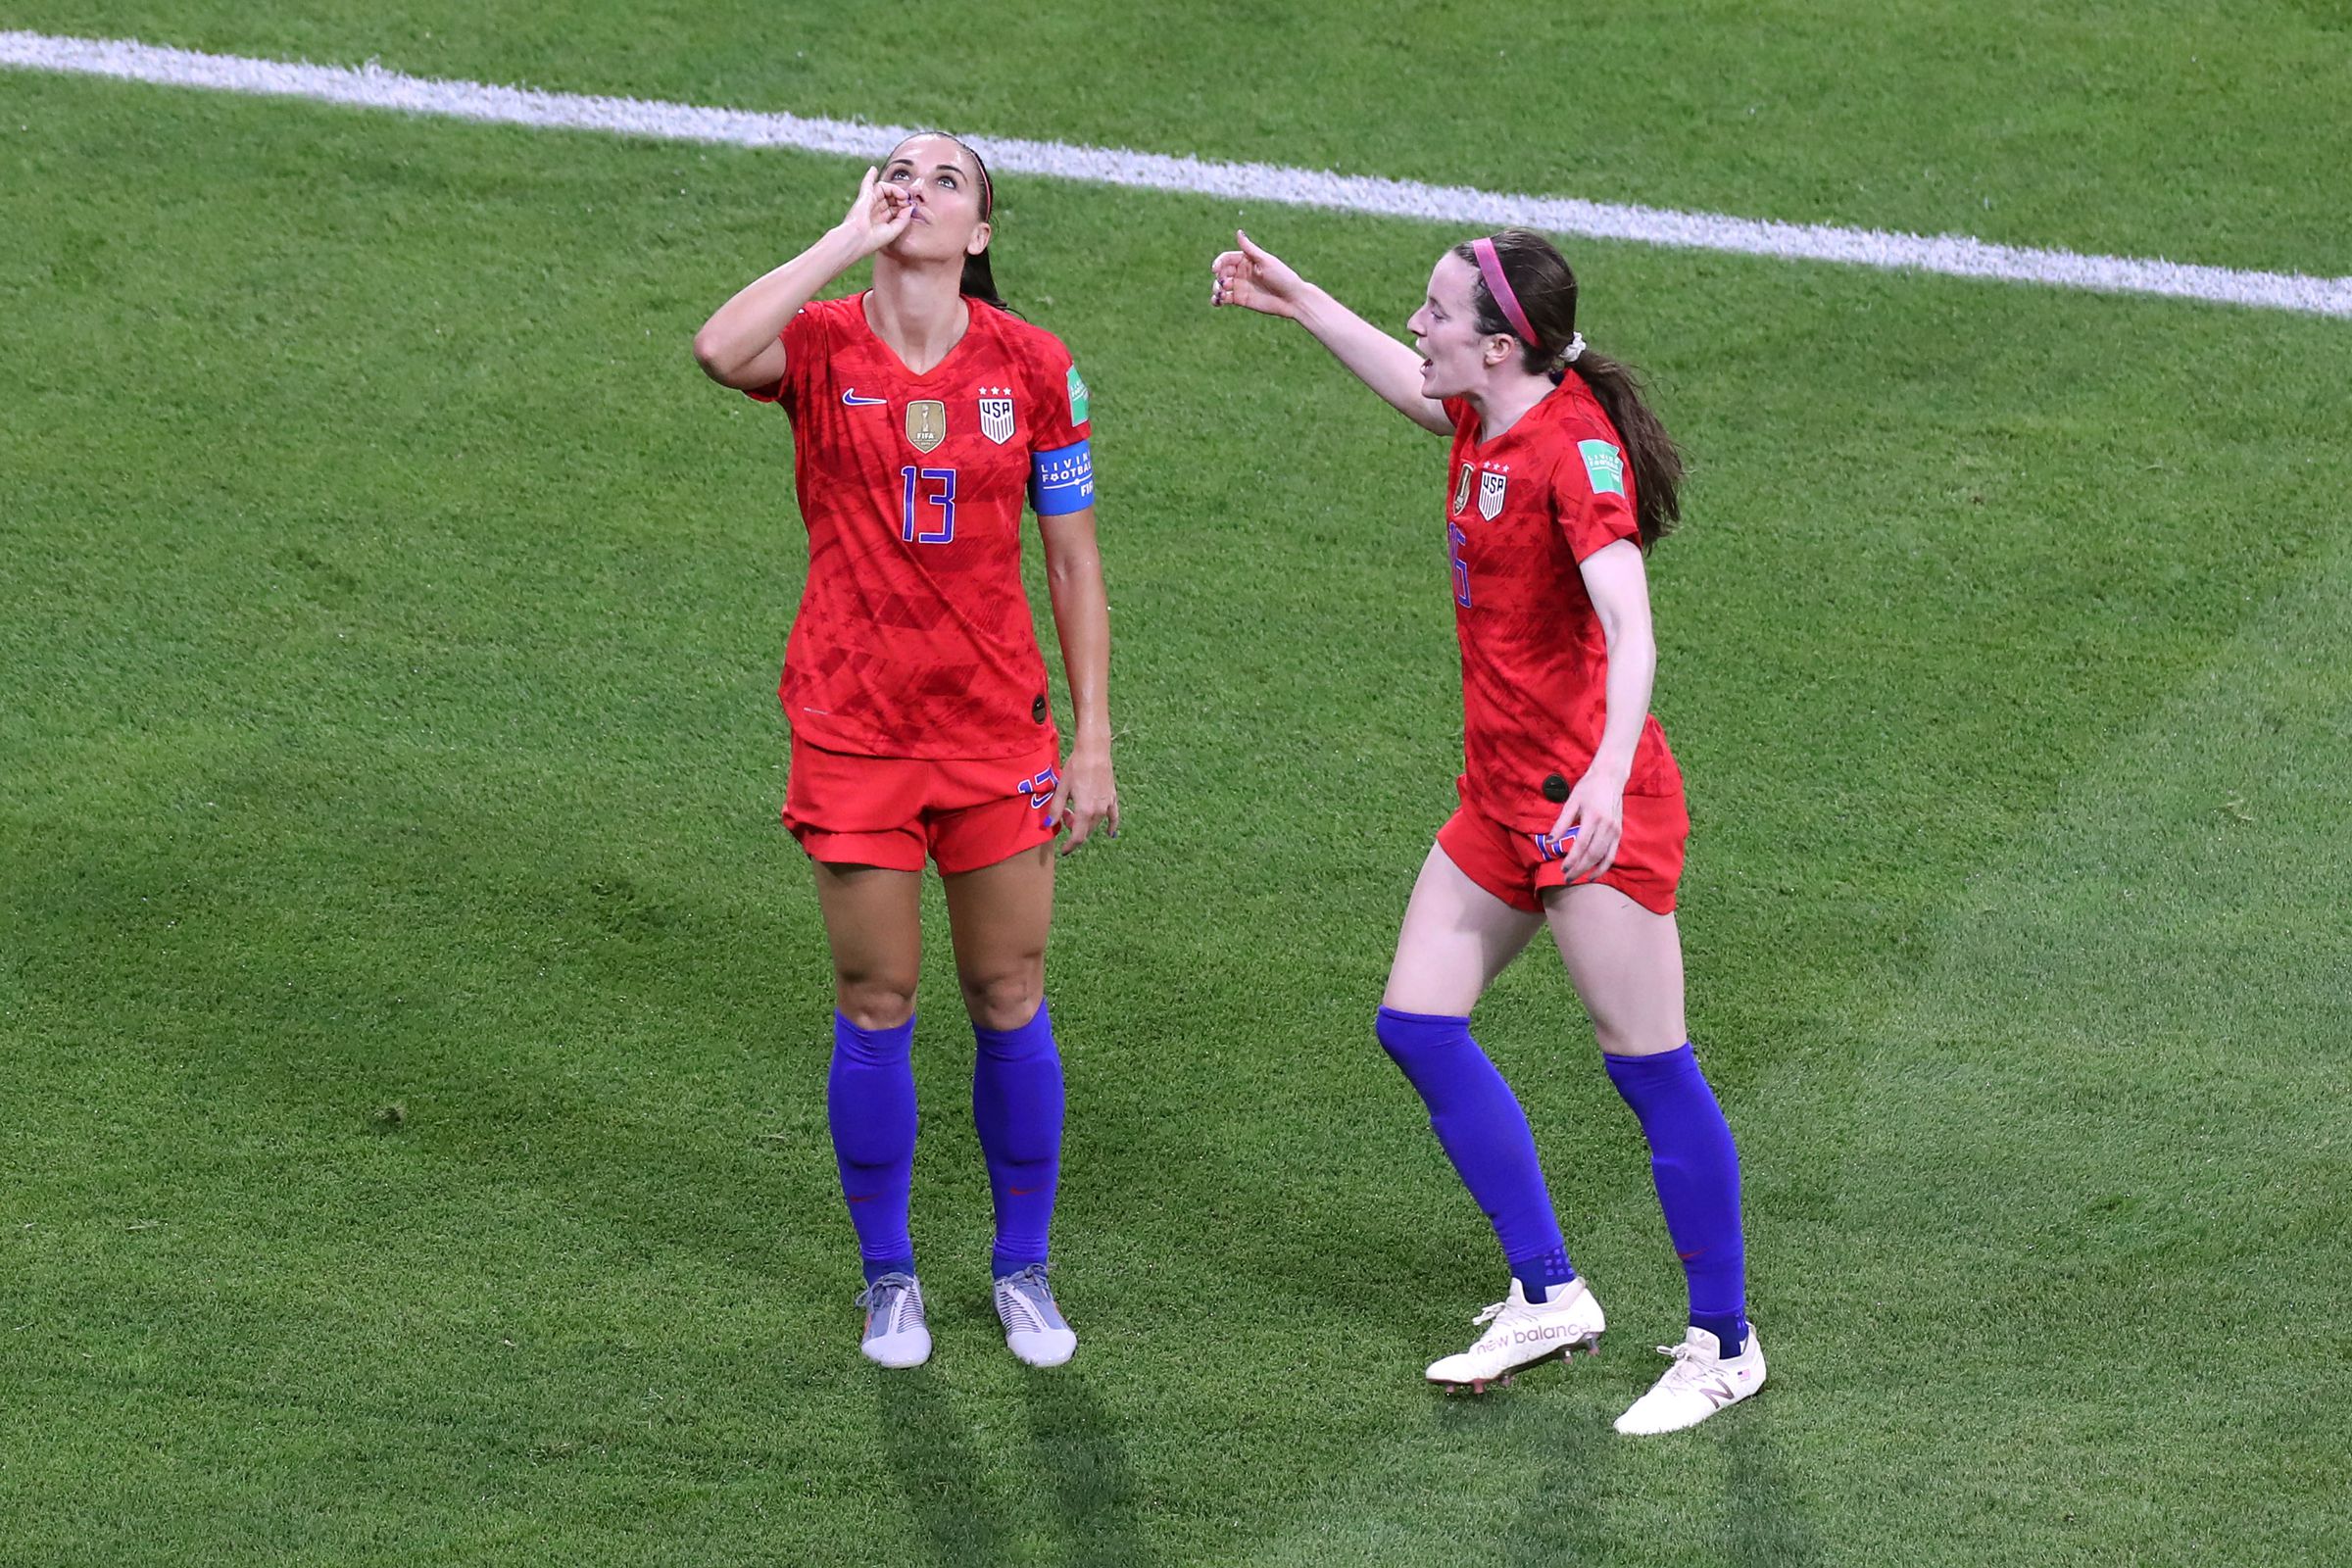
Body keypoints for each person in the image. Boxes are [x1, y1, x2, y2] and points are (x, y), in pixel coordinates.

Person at [1209, 226, 1761, 1433]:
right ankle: (1551, 1290)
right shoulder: (1485, 413)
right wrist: (1303, 304)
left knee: (1651, 1071)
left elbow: (1633, 627)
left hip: (1584, 813)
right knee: (1415, 1023)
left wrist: (1608, 782)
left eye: (1436, 312)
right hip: (1499, 800)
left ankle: (1726, 1340)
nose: (1419, 326)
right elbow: (1417, 390)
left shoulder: (1574, 454)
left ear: (1502, 345)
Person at [694, 134, 1117, 1371]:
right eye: (898, 175)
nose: (916, 191)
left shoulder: (1038, 368)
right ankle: (890, 1278)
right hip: (853, 731)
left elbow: (1074, 559)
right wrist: (844, 240)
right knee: (877, 1001)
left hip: (995, 735)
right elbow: (721, 349)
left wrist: (1092, 739)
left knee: (1009, 995)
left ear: (981, 230)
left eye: (945, 182)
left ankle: (1022, 1267)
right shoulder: (821, 344)